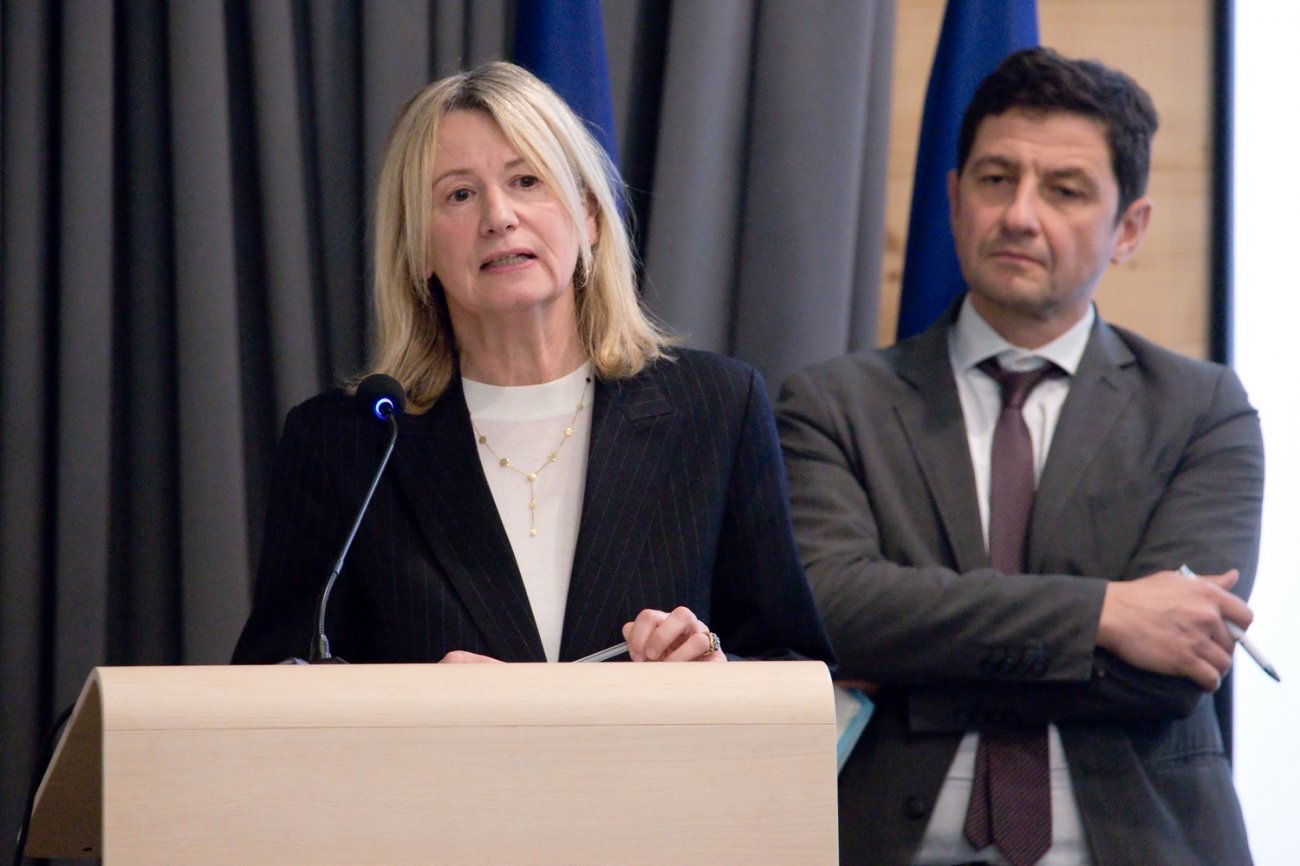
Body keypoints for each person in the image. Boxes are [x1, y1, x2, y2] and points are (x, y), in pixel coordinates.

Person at [778, 47, 1262, 866]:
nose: (1020, 216)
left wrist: (916, 663)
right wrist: (1106, 614)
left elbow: (1171, 670)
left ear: (1129, 228)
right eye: (996, 180)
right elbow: (835, 613)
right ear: (953, 197)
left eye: (1065, 190)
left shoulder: (1201, 409)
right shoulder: (833, 404)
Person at [233, 62, 832, 670]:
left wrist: (713, 673)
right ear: (417, 248)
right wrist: (413, 705)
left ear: (589, 215)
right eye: (459, 194)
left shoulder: (717, 406)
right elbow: (276, 683)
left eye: (525, 180)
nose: (498, 216)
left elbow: (795, 670)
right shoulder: (345, 443)